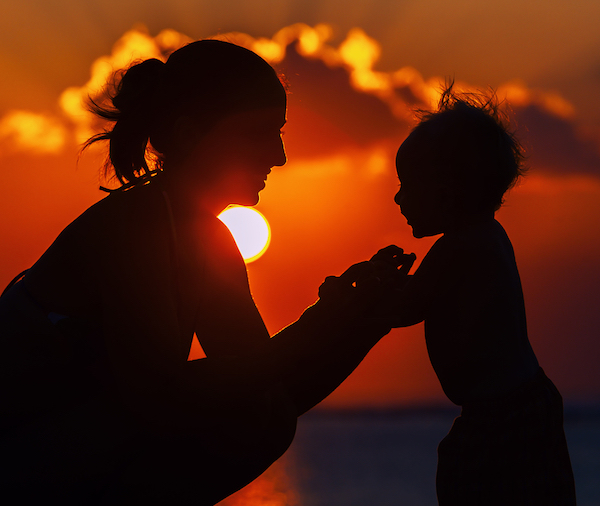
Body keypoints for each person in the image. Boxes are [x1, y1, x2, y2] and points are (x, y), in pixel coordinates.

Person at [0, 40, 391, 505]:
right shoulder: (137, 226)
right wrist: (313, 332)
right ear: (188, 134)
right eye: (259, 133)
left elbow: (266, 394)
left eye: (279, 132)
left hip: (64, 454)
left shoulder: (207, 238)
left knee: (260, 420)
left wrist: (358, 321)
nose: (280, 156)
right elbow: (159, 402)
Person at [371, 87, 576, 505]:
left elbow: (404, 310)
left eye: (406, 186)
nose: (397, 197)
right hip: (524, 404)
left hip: (500, 416)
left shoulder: (458, 247)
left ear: (445, 195)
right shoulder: (489, 237)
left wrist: (363, 290)